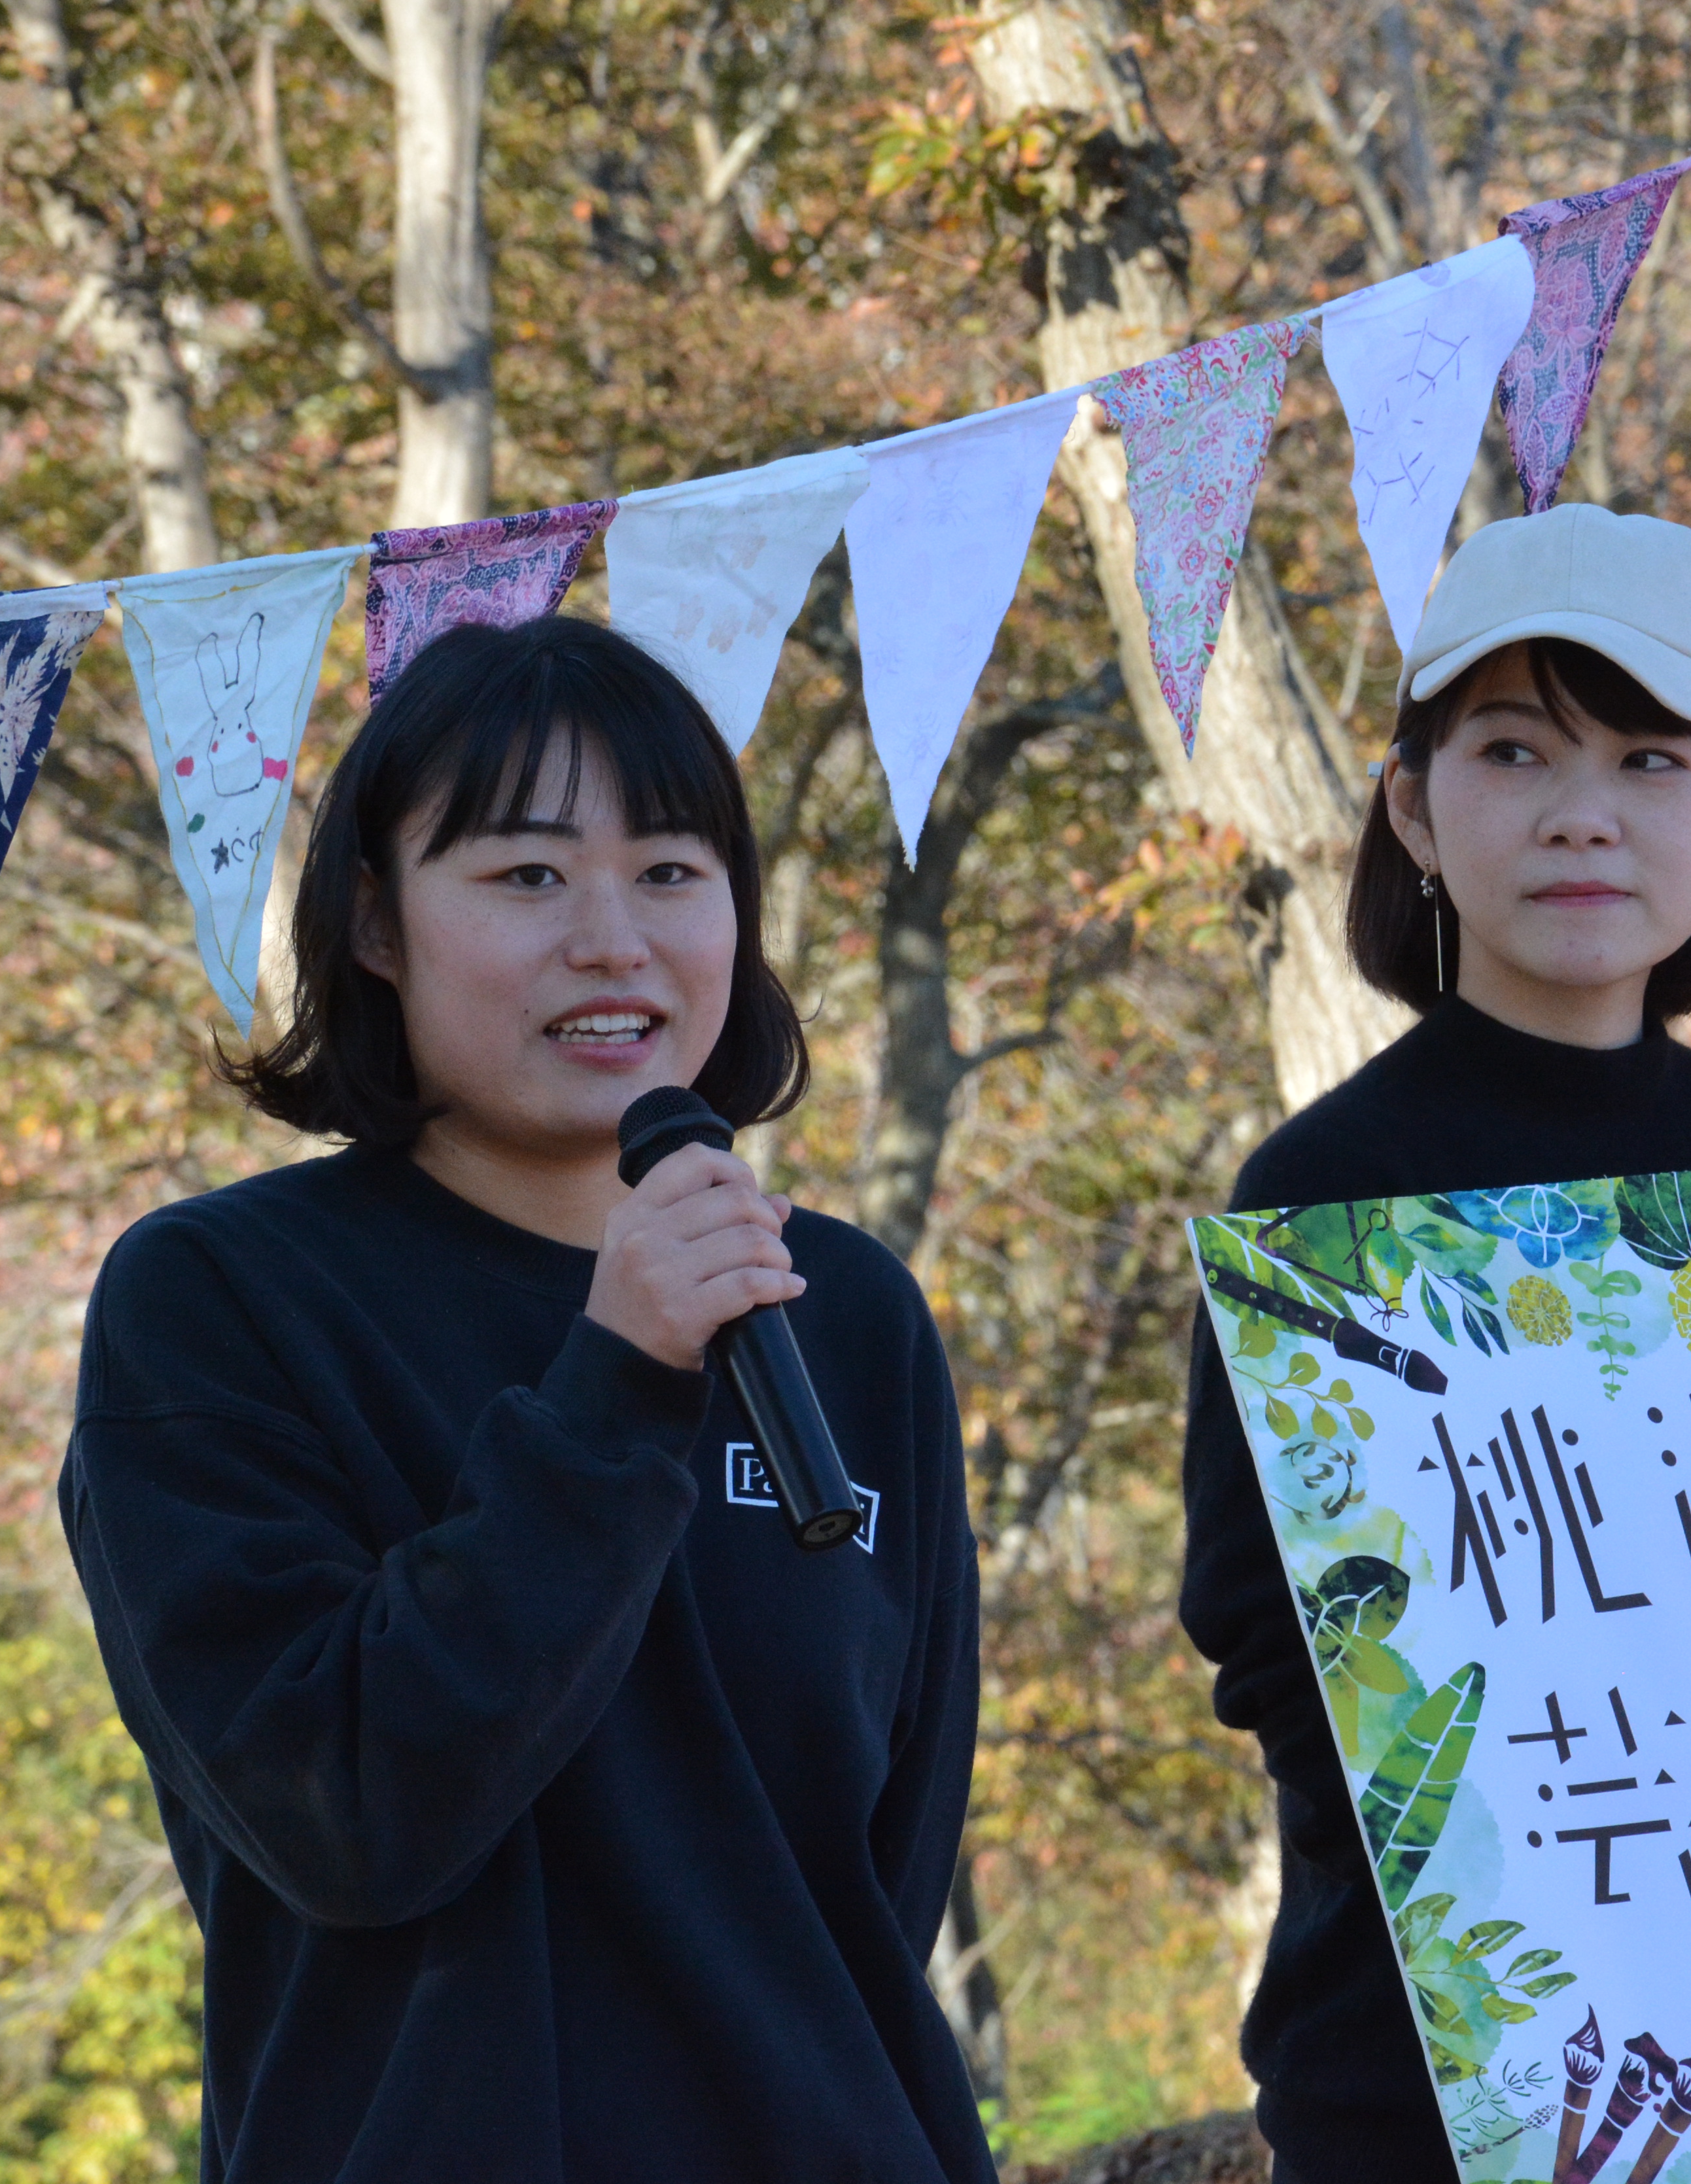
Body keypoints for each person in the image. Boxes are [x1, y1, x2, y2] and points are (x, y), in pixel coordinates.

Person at [61, 614, 993, 2184]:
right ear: (375, 923)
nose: (614, 939)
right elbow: (351, 1813)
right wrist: (616, 1386)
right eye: (527, 875)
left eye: (673, 871)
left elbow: (879, 1865)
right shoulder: (220, 1301)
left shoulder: (846, 1314)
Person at [1177, 504, 1691, 2181]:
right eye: (1515, 750)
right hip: (1442, 2081)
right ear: (1416, 808)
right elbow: (1268, 1639)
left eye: (1654, 760)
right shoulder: (1325, 1198)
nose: (1585, 814)